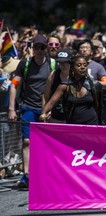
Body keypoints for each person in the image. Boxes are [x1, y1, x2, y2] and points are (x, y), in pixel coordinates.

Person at [8, 34, 53, 188]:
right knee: (27, 141)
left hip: (46, 109)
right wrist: (11, 109)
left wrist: (52, 108)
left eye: (42, 47)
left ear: (46, 48)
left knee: (46, 143)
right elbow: (14, 85)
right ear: (32, 48)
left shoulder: (52, 64)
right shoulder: (25, 64)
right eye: (36, 47)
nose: (39, 50)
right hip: (28, 107)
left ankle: (46, 173)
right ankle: (26, 175)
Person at [40, 55, 99, 125]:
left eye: (85, 65)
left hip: (91, 124)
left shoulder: (94, 85)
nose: (82, 67)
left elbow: (99, 106)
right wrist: (43, 114)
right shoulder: (64, 86)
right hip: (72, 126)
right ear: (72, 68)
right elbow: (50, 103)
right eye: (79, 65)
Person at [42, 48, 73, 123]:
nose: (63, 65)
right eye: (60, 62)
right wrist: (44, 113)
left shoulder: (76, 76)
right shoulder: (53, 75)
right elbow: (46, 96)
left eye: (66, 62)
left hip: (72, 118)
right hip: (55, 117)